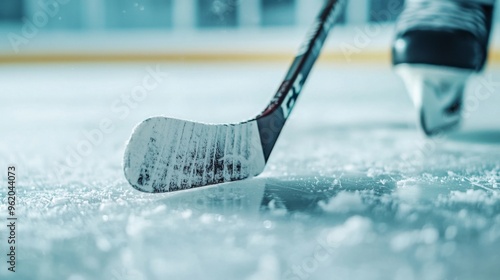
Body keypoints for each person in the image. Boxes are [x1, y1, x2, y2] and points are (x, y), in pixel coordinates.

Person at [392, 0, 495, 135]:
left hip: (408, 42)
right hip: (457, 42)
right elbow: (487, 12)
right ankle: (450, 95)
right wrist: (480, 59)